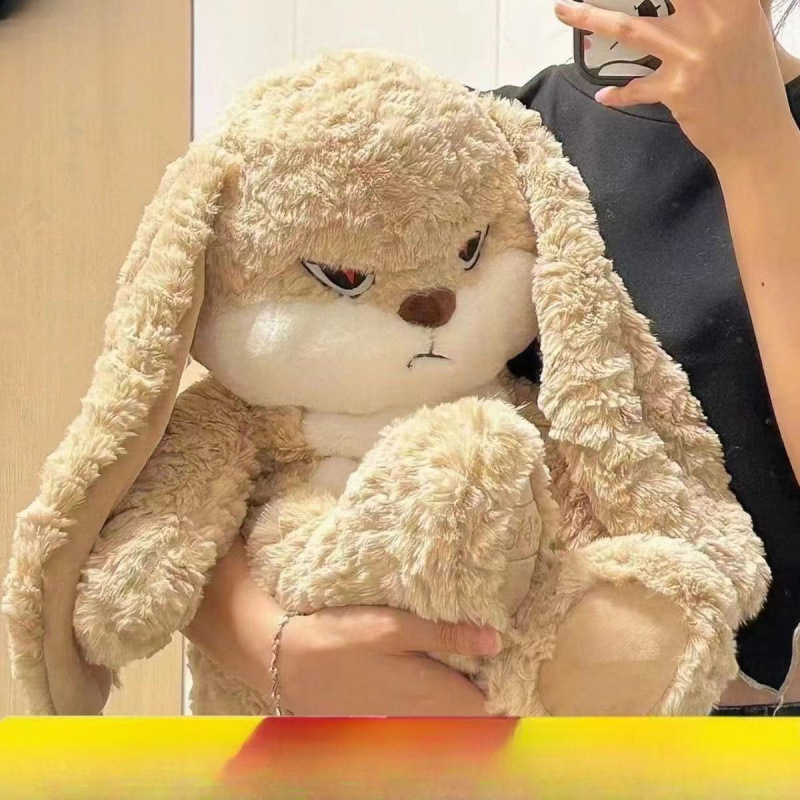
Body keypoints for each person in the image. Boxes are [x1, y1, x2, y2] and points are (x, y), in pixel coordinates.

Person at [185, 0, 800, 716]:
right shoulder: (479, 145)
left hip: (747, 729)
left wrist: (758, 146)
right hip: (473, 722)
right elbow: (224, 450)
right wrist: (274, 647)